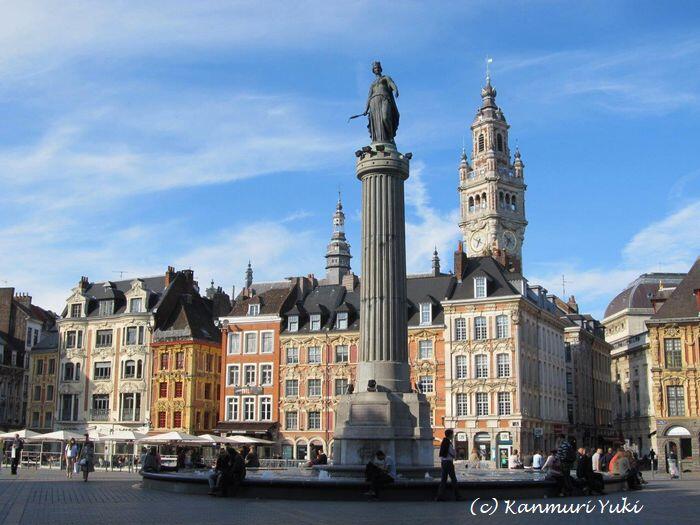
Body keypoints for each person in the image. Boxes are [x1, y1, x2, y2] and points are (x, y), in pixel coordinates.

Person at [436, 429, 461, 501]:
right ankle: (457, 496)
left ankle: (440, 496)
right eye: (452, 434)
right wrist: (456, 451)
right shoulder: (448, 443)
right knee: (453, 479)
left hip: (443, 462)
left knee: (443, 479)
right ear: (450, 435)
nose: (453, 435)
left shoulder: (443, 442)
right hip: (448, 462)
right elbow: (452, 453)